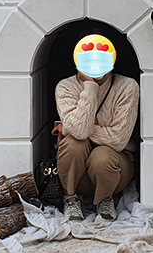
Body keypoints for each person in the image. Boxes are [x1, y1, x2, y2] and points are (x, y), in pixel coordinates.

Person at [53, 34, 139, 222]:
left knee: (101, 155)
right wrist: (90, 88)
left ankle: (105, 200)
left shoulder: (127, 86)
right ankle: (70, 198)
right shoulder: (65, 87)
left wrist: (69, 127)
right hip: (78, 174)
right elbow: (80, 133)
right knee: (74, 143)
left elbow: (118, 139)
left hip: (114, 170)